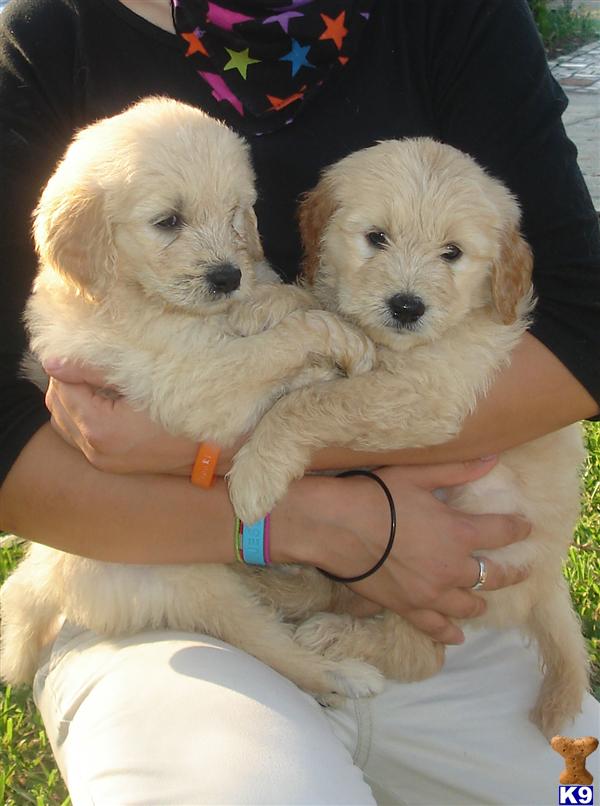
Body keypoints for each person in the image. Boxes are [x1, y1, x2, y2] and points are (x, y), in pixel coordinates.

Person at [0, 0, 598, 803]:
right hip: (168, 593)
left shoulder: (455, 16)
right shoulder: (48, 39)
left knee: (577, 789)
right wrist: (318, 524)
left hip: (441, 598)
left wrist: (232, 451)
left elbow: (582, 331)